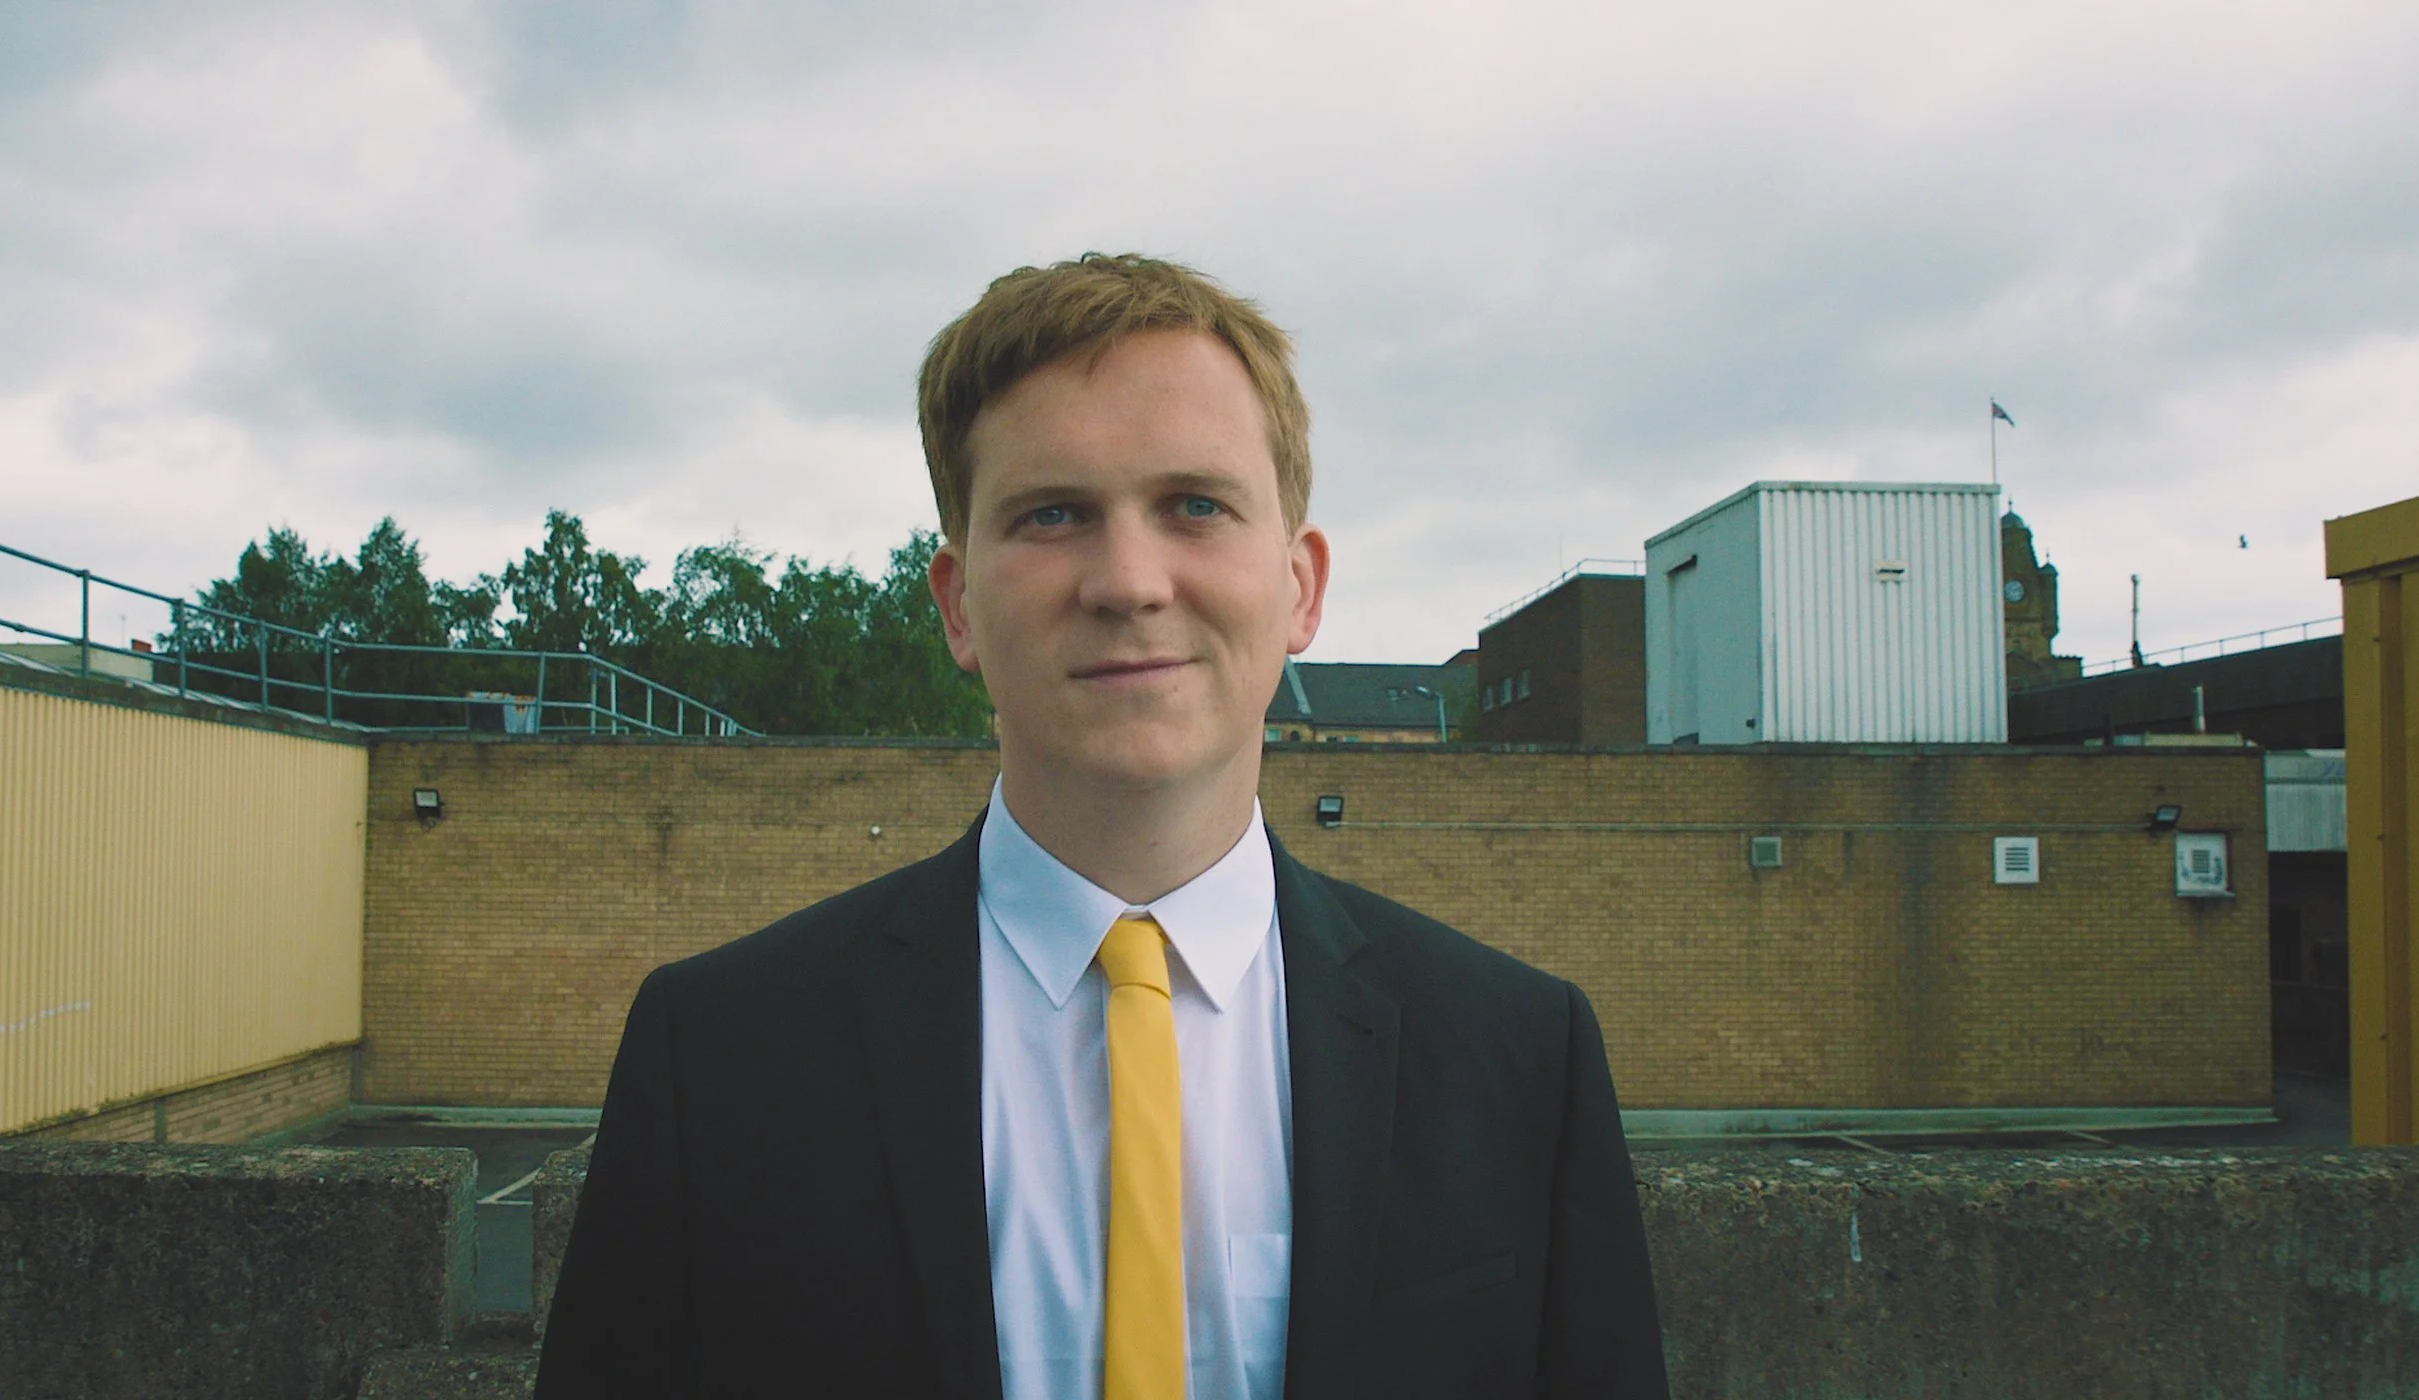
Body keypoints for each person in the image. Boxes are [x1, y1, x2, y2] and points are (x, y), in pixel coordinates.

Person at [537, 253, 1668, 1399]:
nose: (1127, 580)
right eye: (1052, 513)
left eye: (1194, 505)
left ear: (1301, 587)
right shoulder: (721, 1057)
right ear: (957, 604)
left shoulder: (1520, 1055)